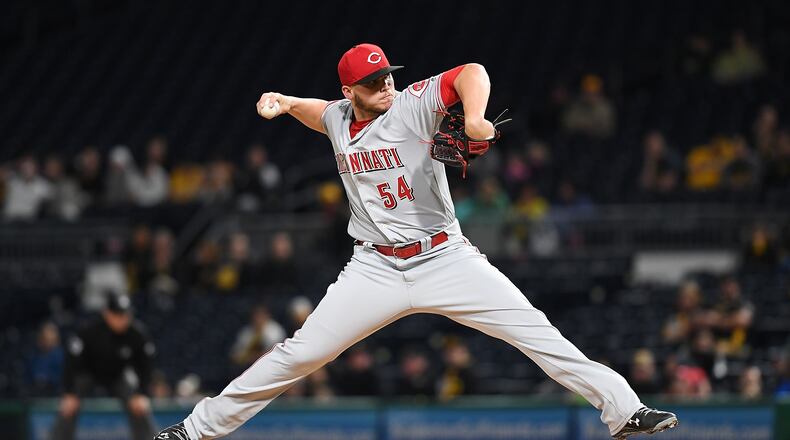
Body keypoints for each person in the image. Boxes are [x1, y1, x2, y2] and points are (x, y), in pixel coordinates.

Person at [156, 43, 677, 440]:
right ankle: (195, 430)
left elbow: (472, 72)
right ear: (349, 91)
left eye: (386, 74)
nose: (385, 84)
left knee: (535, 332)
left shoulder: (412, 105)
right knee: (299, 354)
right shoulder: (340, 117)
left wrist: (473, 117)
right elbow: (322, 115)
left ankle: (625, 411)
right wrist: (287, 101)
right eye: (372, 80)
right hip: (374, 270)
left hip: (444, 257)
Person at [54, 293, 156, 440]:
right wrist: (69, 392)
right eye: (117, 314)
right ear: (107, 314)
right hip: (88, 373)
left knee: (139, 406)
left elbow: (145, 365)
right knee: (68, 406)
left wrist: (142, 393)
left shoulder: (137, 334)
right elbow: (71, 362)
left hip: (119, 375)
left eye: (125, 314)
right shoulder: (89, 331)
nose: (122, 319)